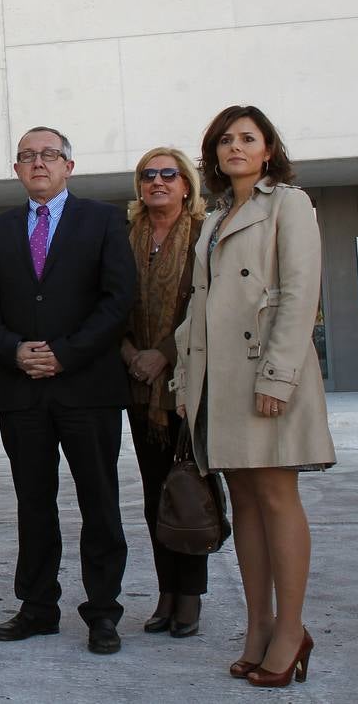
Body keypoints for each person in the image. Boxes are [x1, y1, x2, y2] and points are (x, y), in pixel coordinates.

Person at [174, 105, 336, 686]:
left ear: (268, 150)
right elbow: (197, 307)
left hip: (265, 371)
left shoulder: (288, 204)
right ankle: (259, 625)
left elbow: (299, 294)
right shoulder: (214, 218)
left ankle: (291, 629)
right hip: (219, 378)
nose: (234, 148)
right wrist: (186, 384)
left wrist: (277, 377)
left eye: (247, 138)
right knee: (242, 499)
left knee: (274, 494)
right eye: (224, 140)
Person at [0, 126, 135, 654]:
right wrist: (13, 349)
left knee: (99, 503)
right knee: (33, 503)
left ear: (69, 165)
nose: (37, 163)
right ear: (17, 169)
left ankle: (103, 612)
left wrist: (66, 351)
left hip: (87, 386)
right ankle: (37, 606)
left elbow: (118, 298)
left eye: (48, 155)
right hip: (22, 390)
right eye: (26, 156)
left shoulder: (104, 219)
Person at [119, 147, 207, 638]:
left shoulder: (202, 235)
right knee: (156, 492)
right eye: (148, 175)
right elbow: (111, 301)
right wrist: (131, 353)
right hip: (137, 385)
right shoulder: (125, 237)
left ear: (186, 184)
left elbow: (204, 306)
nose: (157, 182)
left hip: (184, 381)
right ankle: (166, 592)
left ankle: (190, 595)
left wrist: (164, 354)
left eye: (168, 174)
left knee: (188, 488)